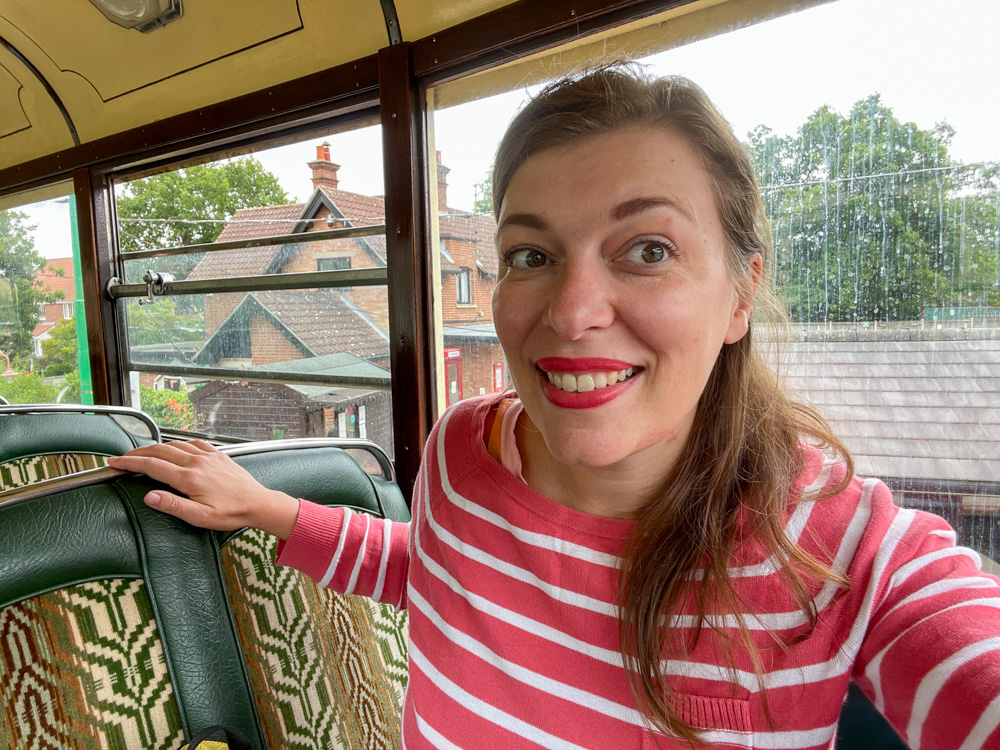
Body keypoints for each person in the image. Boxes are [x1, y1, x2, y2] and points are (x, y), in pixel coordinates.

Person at [108, 65, 1000, 749]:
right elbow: (441, 572)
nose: (571, 313)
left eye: (646, 249)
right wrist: (267, 509)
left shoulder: (843, 552)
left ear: (739, 296)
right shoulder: (462, 447)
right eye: (531, 255)